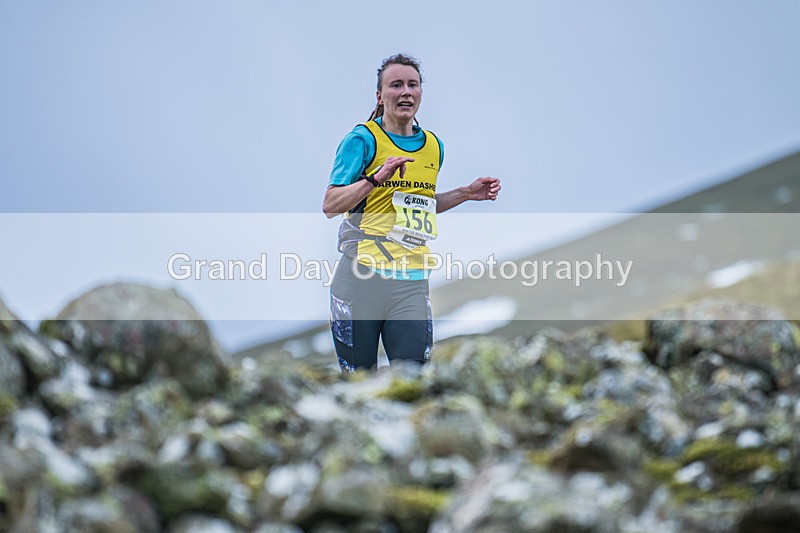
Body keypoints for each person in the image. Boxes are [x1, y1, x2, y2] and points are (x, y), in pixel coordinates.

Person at [322, 53, 501, 374]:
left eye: (412, 85)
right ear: (380, 96)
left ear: (421, 93)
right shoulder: (362, 140)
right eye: (396, 85)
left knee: (413, 379)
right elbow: (331, 204)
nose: (405, 91)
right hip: (360, 278)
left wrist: (465, 194)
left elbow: (419, 204)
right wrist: (375, 179)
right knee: (358, 383)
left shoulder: (433, 146)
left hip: (411, 282)